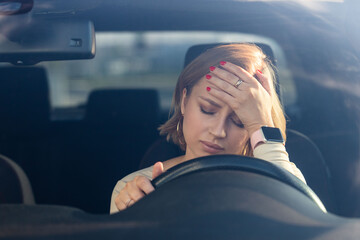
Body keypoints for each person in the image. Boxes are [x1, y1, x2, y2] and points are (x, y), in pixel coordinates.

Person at [110, 44, 306, 214]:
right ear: (184, 101)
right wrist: (135, 218)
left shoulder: (286, 175)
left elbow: (303, 224)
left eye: (240, 122)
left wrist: (262, 125)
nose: (218, 131)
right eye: (208, 110)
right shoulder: (134, 189)